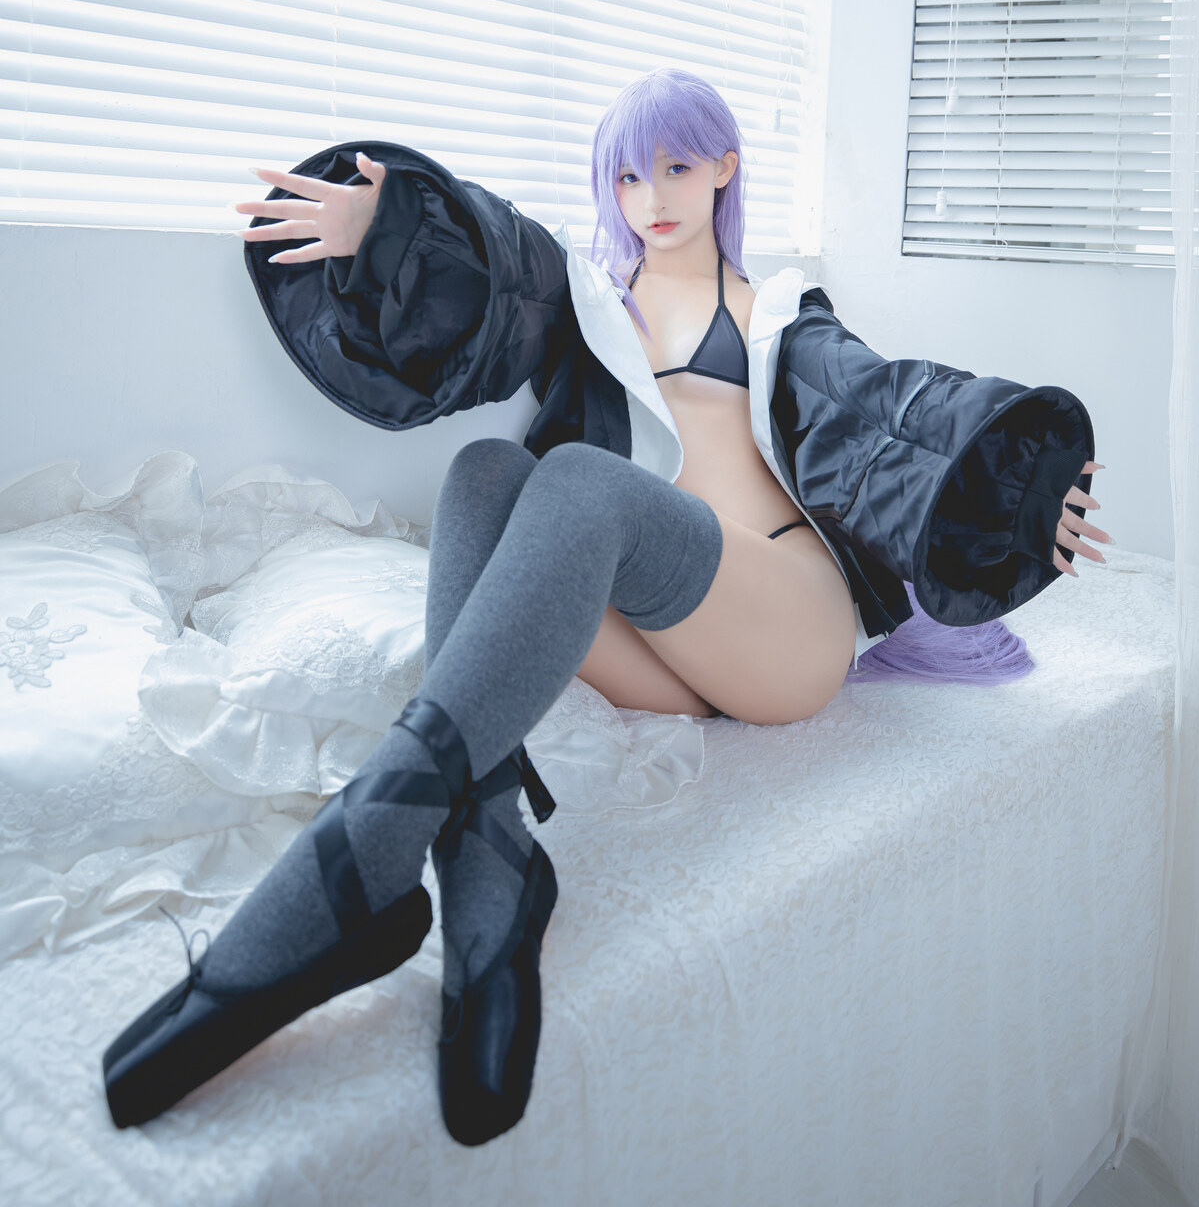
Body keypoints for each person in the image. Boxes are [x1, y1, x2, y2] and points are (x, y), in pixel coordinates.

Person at [101, 69, 1111, 1146]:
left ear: (725, 168)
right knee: (488, 469)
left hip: (782, 626)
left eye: (676, 165)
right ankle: (489, 856)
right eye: (627, 176)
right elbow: (501, 279)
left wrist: (1021, 489)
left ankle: (370, 843)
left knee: (580, 479)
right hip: (663, 641)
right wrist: (385, 230)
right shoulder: (589, 305)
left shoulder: (779, 312)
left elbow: (897, 416)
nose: (652, 196)